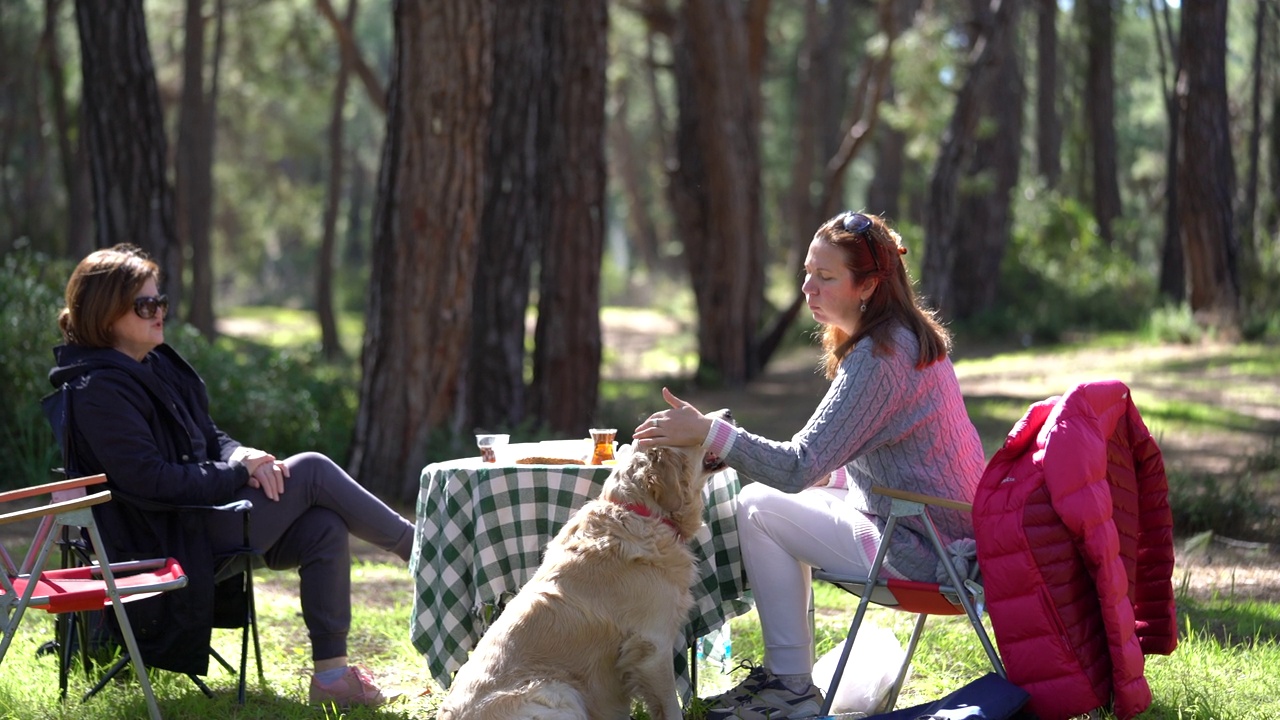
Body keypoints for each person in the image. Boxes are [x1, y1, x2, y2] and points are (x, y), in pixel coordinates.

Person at [632, 212, 985, 720]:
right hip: (935, 527)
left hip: (927, 549)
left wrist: (710, 433)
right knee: (787, 496)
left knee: (756, 506)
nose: (807, 288)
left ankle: (789, 687)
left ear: (868, 285)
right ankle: (789, 682)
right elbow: (886, 458)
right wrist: (825, 473)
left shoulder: (880, 358)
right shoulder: (902, 336)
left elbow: (798, 467)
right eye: (806, 272)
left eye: (825, 277)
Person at [48, 244, 415, 709]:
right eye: (145, 305)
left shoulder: (153, 366)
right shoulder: (99, 389)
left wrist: (245, 454)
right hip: (158, 536)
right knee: (313, 469)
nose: (159, 312)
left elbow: (209, 435)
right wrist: (235, 472)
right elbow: (151, 481)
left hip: (200, 518)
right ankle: (421, 551)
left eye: (160, 301)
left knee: (323, 527)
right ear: (105, 313)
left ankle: (332, 677)